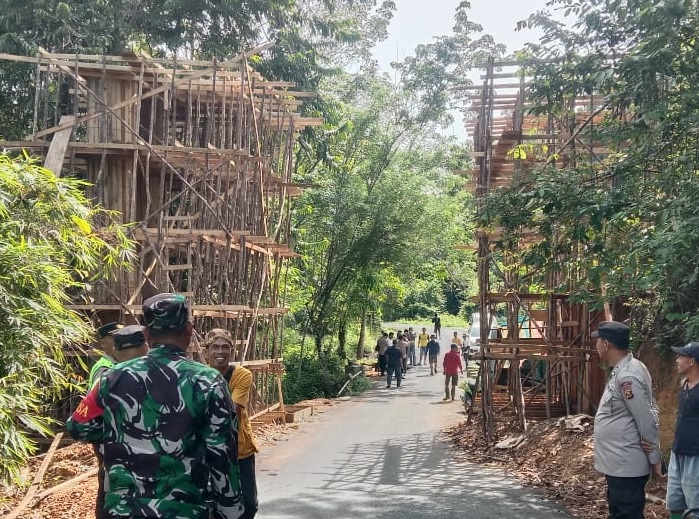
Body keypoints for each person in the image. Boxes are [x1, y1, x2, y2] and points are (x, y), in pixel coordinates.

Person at [67, 293, 241, 519]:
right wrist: (231, 510)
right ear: (189, 331)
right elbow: (221, 451)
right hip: (184, 509)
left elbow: (78, 427)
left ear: (146, 334)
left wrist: (119, 433)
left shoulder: (112, 378)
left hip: (123, 509)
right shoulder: (207, 381)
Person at [592, 321, 662, 519]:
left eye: (598, 341)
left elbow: (646, 417)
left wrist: (655, 459)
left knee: (627, 514)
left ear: (606, 344)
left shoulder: (628, 375)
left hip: (626, 463)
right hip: (619, 463)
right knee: (619, 512)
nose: (596, 345)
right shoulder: (624, 369)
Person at [206, 328, 260, 519]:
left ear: (231, 350)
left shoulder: (242, 375)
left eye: (225, 347)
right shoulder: (200, 375)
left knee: (248, 505)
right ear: (207, 351)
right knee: (211, 505)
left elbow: (233, 410)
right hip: (208, 451)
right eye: (215, 347)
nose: (220, 352)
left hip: (239, 449)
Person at [665, 342, 699, 519]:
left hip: (695, 454)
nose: (677, 360)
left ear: (692, 361)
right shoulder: (684, 384)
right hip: (678, 451)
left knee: (695, 506)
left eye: (681, 357)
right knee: (674, 501)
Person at [88, 322, 122, 389]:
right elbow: (97, 397)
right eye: (116, 337)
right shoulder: (104, 369)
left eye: (123, 336)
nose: (121, 340)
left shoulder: (119, 364)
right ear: (103, 343)